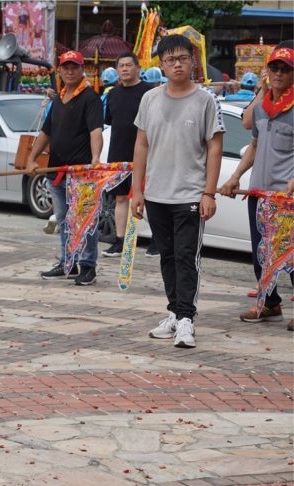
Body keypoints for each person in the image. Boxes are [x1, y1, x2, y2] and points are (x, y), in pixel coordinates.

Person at [131, 34, 225, 349]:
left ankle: (186, 319)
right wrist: (137, 191)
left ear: (192, 61)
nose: (177, 64)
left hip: (190, 195)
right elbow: (141, 145)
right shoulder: (149, 99)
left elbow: (215, 148)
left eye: (183, 58)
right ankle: (174, 311)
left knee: (187, 257)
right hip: (156, 194)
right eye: (170, 59)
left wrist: (208, 193)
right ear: (161, 64)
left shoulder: (206, 100)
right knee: (167, 257)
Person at [220, 46, 294, 331]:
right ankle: (269, 303)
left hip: (286, 199)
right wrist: (236, 176)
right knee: (261, 253)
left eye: (285, 69)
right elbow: (253, 144)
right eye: (274, 68)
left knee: (290, 254)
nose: (278, 73)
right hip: (259, 194)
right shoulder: (263, 107)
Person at [27, 50, 104, 284]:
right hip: (55, 171)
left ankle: (88, 265)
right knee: (63, 218)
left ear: (82, 70)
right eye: (65, 67)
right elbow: (45, 132)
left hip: (80, 173)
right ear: (59, 70)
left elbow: (96, 131)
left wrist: (95, 158)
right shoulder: (58, 99)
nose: (70, 71)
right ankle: (67, 261)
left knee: (85, 218)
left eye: (75, 67)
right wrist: (32, 158)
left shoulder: (90, 98)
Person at [101, 52, 155, 258]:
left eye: (128, 65)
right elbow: (110, 122)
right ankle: (120, 241)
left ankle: (156, 241)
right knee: (120, 198)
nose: (124, 69)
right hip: (118, 153)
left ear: (138, 68)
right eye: (120, 66)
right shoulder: (113, 94)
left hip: (145, 154)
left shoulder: (148, 93)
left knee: (149, 198)